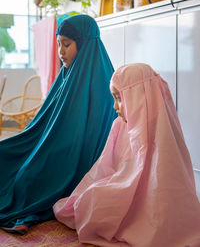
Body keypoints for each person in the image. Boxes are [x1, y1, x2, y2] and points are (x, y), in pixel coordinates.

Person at [53, 63, 200, 247]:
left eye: (119, 98)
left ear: (138, 97)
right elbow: (104, 168)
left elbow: (165, 189)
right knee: (89, 201)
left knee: (149, 221)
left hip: (151, 202)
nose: (115, 106)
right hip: (123, 186)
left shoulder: (164, 133)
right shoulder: (120, 125)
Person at [0, 14, 116, 235]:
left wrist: (50, 151)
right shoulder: (67, 74)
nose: (61, 52)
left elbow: (92, 137)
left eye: (67, 44)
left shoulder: (102, 80)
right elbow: (45, 121)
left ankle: (28, 216)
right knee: (6, 153)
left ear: (83, 44)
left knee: (27, 176)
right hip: (57, 145)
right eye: (58, 44)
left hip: (77, 157)